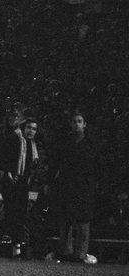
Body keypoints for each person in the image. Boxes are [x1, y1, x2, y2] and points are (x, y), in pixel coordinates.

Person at [48, 111, 97, 264]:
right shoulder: (64, 143)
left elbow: (98, 166)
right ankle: (65, 252)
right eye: (74, 121)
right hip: (66, 186)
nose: (76, 124)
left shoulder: (91, 144)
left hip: (84, 187)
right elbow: (55, 163)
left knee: (83, 221)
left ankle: (81, 254)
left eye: (79, 121)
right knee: (65, 220)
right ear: (70, 124)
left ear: (84, 124)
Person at [0, 115, 43, 257]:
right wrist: (9, 172)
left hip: (23, 183)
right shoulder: (15, 139)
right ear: (24, 127)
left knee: (20, 214)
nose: (31, 131)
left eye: (34, 129)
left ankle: (15, 245)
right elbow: (2, 157)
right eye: (29, 127)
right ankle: (3, 244)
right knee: (10, 213)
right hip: (11, 181)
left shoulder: (32, 145)